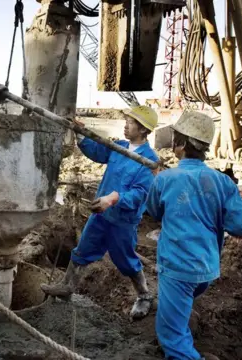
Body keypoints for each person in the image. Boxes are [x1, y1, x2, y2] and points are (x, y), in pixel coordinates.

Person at [145, 111, 242, 360]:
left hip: (178, 266)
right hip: (207, 268)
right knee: (179, 315)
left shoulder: (166, 179)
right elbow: (239, 227)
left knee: (169, 334)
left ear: (179, 145)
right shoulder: (224, 182)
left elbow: (153, 211)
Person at [41, 105, 159, 320]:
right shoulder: (120, 147)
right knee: (82, 250)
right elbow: (97, 151)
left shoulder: (149, 161)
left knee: (126, 260)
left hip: (122, 222)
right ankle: (67, 287)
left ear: (143, 130)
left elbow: (140, 194)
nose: (126, 125)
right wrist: (81, 134)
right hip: (101, 215)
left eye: (131, 122)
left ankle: (144, 295)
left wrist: (114, 198)